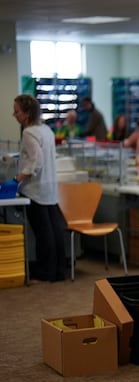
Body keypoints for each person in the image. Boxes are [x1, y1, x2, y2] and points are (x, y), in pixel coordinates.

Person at [12, 94, 67, 282]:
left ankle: (45, 271)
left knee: (43, 233)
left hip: (35, 189)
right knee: (54, 230)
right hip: (50, 188)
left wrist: (18, 177)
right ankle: (59, 270)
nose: (14, 114)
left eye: (17, 111)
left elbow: (36, 160)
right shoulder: (46, 130)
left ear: (26, 113)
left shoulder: (28, 133)